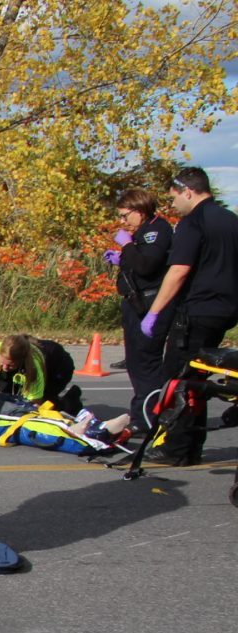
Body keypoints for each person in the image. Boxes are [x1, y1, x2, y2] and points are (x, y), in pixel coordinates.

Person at [140, 166, 238, 464]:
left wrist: (154, 312)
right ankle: (190, 444)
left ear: (188, 191)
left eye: (174, 198)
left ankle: (178, 448)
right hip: (225, 310)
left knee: (179, 379)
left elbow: (179, 270)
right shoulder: (231, 220)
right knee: (197, 377)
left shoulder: (192, 223)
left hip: (197, 310)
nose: (172, 205)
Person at [108, 188, 175, 427]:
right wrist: (121, 258)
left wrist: (127, 247)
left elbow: (147, 265)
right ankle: (142, 414)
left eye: (126, 215)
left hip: (149, 303)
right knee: (135, 361)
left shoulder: (156, 230)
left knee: (146, 362)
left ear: (139, 210)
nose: (123, 221)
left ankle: (148, 416)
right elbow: (139, 262)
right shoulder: (144, 232)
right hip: (135, 303)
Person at [0, 335, 78, 412]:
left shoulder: (33, 366)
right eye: (2, 363)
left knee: (46, 407)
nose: (5, 368)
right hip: (28, 361)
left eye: (10, 365)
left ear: (21, 361)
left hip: (59, 367)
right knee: (5, 394)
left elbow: (34, 403)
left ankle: (70, 401)